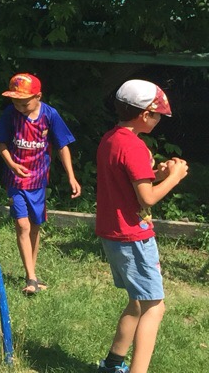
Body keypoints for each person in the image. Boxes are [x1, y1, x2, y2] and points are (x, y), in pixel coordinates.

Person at [95, 80, 188, 373]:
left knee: (138, 301)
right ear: (145, 114)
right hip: (132, 235)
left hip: (113, 233)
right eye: (158, 115)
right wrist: (175, 178)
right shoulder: (134, 146)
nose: (159, 120)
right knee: (154, 306)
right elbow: (146, 198)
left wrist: (157, 174)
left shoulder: (111, 138)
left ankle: (112, 364)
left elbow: (132, 181)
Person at [0, 73, 81, 295]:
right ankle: (31, 278)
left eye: (24, 103)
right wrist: (12, 164)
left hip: (39, 180)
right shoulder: (10, 114)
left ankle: (31, 274)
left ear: (38, 96)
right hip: (15, 179)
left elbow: (62, 146)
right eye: (15, 102)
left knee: (35, 226)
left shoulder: (50, 115)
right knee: (22, 225)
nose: (19, 107)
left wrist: (71, 176)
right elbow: (0, 141)